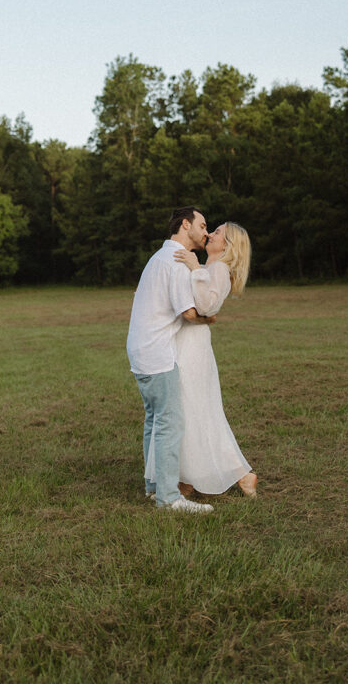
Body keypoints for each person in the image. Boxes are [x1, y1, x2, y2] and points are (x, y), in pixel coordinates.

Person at [146, 222, 257, 498]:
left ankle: (236, 475)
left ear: (227, 245)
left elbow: (207, 304)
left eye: (218, 232)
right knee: (190, 411)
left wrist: (195, 269)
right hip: (185, 343)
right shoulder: (210, 269)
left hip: (193, 349)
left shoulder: (218, 269)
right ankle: (188, 479)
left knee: (191, 410)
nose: (211, 234)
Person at [126, 206, 215, 513]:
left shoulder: (158, 257)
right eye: (202, 225)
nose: (206, 231)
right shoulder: (176, 261)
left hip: (140, 350)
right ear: (185, 224)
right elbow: (188, 313)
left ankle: (153, 487)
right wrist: (210, 319)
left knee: (154, 419)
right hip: (157, 352)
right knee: (170, 422)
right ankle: (168, 498)